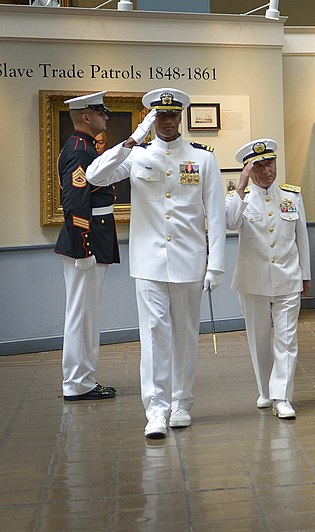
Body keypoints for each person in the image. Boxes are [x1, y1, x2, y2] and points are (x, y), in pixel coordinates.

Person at [86, 88, 226, 439]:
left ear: (180, 117)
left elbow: (217, 217)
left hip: (190, 261)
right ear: (151, 117)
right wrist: (133, 138)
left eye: (171, 115)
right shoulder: (137, 156)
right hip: (148, 262)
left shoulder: (202, 159)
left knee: (185, 336)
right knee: (153, 336)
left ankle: (182, 402)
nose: (166, 121)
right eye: (159, 115)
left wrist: (216, 265)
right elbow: (94, 175)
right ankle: (156, 410)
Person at [226, 138, 311, 419]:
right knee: (259, 339)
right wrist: (240, 186)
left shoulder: (291, 196)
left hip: (288, 277)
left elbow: (301, 239)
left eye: (270, 164)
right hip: (253, 281)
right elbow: (229, 223)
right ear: (248, 169)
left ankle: (283, 397)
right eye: (258, 166)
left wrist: (305, 276)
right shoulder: (239, 199)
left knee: (287, 340)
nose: (266, 171)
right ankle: (266, 390)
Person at [55, 90, 119, 402]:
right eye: (100, 112)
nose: (106, 116)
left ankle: (82, 378)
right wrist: (84, 246)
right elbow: (75, 201)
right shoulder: (80, 151)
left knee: (87, 313)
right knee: (81, 314)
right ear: (86, 117)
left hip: (95, 235)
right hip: (88, 239)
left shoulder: (83, 147)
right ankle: (77, 383)